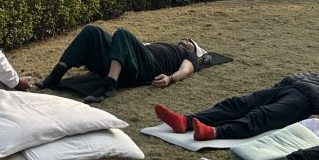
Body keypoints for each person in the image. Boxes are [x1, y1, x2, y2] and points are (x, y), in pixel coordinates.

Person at [155, 61, 319, 140]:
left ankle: (213, 133)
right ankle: (184, 122)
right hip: (288, 89)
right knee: (236, 104)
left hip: (308, 103)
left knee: (261, 117)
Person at [35, 25, 207, 103]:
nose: (185, 39)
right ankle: (56, 74)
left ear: (195, 49)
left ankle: (109, 85)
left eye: (190, 40)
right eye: (184, 38)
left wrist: (170, 79)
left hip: (149, 67)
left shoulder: (189, 55)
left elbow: (186, 70)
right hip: (130, 61)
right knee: (92, 31)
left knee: (122, 33)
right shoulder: (164, 44)